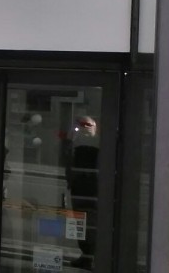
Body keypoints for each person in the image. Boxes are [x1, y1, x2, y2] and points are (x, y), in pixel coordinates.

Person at [64, 116, 99, 270]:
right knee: (82, 223)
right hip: (81, 187)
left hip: (87, 189)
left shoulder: (92, 145)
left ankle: (89, 256)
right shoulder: (77, 143)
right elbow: (69, 161)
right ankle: (87, 255)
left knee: (88, 223)